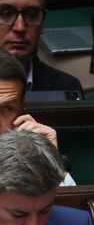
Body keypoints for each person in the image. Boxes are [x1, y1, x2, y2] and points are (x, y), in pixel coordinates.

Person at [0, 0, 83, 95]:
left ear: (43, 22)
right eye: (6, 13)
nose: (20, 27)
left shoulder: (65, 88)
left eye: (32, 14)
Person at [0, 49, 75, 185]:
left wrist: (52, 162)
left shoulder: (26, 158)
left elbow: (66, 204)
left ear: (21, 109)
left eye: (7, 108)